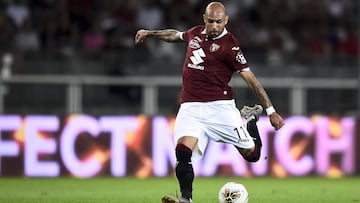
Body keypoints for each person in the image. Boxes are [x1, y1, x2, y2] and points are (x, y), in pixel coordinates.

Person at [135, 2, 284, 203]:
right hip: (190, 107)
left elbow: (251, 80)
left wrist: (270, 110)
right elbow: (175, 35)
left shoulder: (230, 46)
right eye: (211, 21)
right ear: (205, 18)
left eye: (219, 22)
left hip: (220, 107)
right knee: (182, 150)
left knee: (252, 155)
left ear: (226, 20)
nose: (214, 26)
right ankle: (186, 199)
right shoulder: (195, 33)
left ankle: (250, 120)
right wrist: (149, 33)